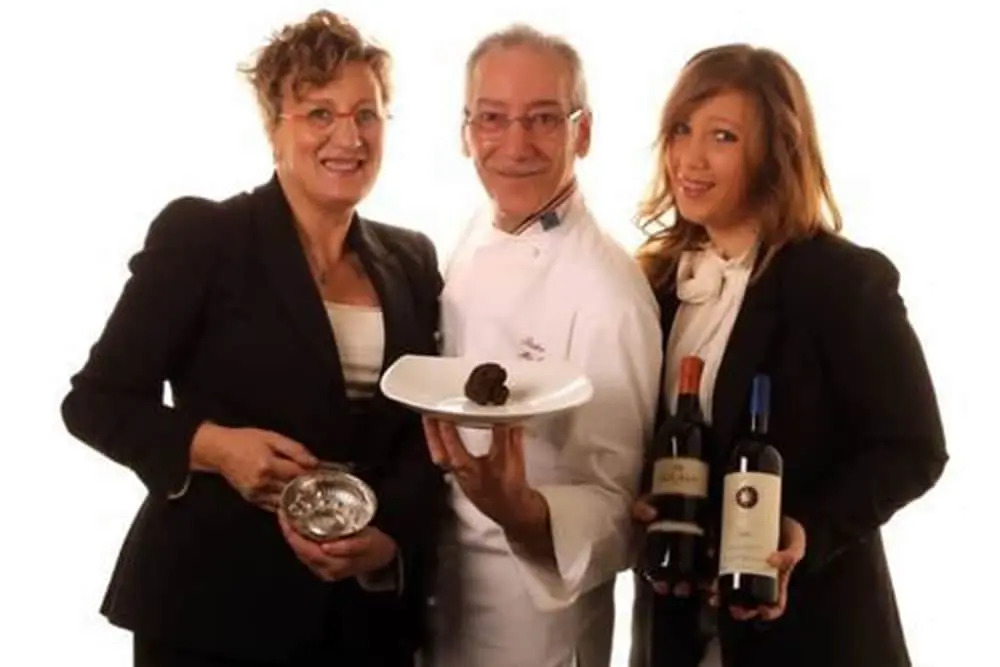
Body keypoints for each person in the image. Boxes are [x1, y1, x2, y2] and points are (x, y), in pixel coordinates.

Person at [60, 10, 444, 666]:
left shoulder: (412, 258)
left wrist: (390, 542)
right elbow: (95, 401)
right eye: (319, 113)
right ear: (273, 126)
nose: (348, 136)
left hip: (361, 619)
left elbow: (422, 432)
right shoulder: (203, 236)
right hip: (212, 608)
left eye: (366, 114)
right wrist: (215, 447)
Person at [628, 44, 948, 667]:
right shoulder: (654, 285)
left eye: (723, 136)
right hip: (676, 634)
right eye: (682, 129)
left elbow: (913, 448)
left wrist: (809, 528)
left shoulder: (842, 281)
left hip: (812, 636)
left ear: (776, 153)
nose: (690, 158)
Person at [420, 24, 662, 667]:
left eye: (544, 119)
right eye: (492, 118)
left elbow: (621, 510)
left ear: (583, 132)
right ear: (465, 131)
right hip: (441, 589)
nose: (515, 145)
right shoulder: (476, 230)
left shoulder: (609, 291)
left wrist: (522, 511)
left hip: (538, 624)